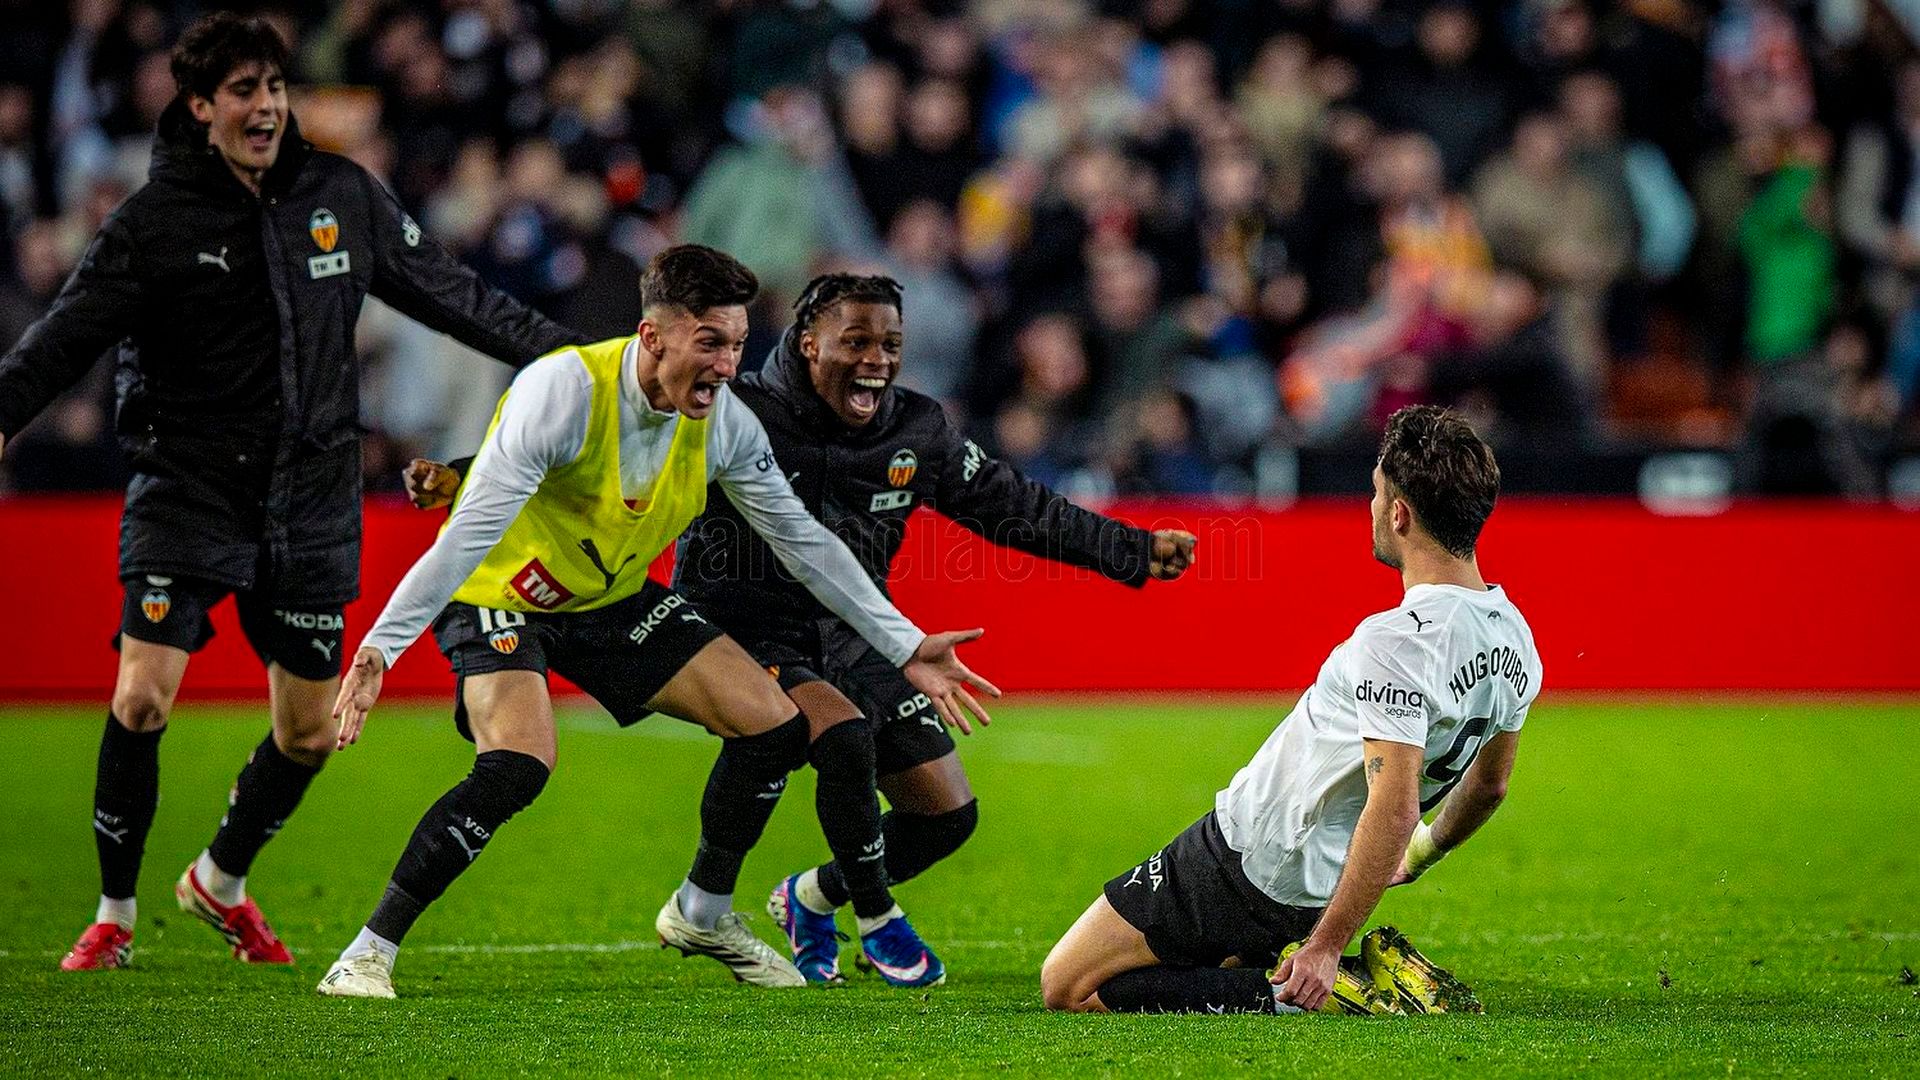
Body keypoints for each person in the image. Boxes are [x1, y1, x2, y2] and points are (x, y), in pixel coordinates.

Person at [407, 272, 1195, 986]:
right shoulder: (734, 406)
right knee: (842, 736)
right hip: (740, 625)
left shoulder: (917, 430)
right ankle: (877, 920)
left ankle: (809, 896)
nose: (876, 360)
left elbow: (1017, 507)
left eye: (889, 343)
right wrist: (462, 473)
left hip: (854, 629)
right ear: (809, 343)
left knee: (947, 815)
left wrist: (1132, 550)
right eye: (856, 341)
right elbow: (598, 442)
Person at [0, 14, 582, 973]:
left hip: (309, 496)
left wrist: (579, 365)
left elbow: (452, 293)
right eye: (243, 90)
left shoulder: (341, 195)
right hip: (186, 487)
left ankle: (220, 881)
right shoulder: (153, 222)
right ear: (200, 107)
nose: (266, 104)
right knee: (143, 699)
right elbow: (62, 336)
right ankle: (113, 914)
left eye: (274, 86)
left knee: (308, 733)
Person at [315, 247, 997, 1000]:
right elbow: (467, 533)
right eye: (709, 342)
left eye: (738, 345)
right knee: (517, 763)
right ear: (653, 337)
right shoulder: (562, 393)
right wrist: (382, 645)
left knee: (775, 726)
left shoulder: (726, 426)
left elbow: (806, 543)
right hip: (502, 593)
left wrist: (907, 644)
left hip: (609, 598)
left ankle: (702, 911)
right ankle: (367, 951)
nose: (727, 365)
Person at [1039, 405, 1540, 1015]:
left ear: (1401, 514)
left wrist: (1328, 946)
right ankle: (1296, 975)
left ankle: (1319, 989)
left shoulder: (1398, 641)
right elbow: (1491, 787)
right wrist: (1420, 853)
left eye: (1378, 493)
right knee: (1192, 967)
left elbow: (1395, 801)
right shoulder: (1513, 634)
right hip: (1322, 879)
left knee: (1069, 985)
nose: (1374, 507)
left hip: (1253, 857)